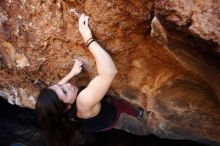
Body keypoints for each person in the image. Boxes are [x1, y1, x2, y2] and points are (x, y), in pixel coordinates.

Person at [36, 14, 143, 146]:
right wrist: (88, 39)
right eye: (64, 91)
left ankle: (137, 114)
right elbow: (109, 72)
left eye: (60, 86)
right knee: (120, 105)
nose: (67, 85)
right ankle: (138, 113)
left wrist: (72, 73)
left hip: (93, 125)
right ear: (66, 108)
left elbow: (58, 89)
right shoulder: (83, 101)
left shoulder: (60, 113)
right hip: (109, 118)